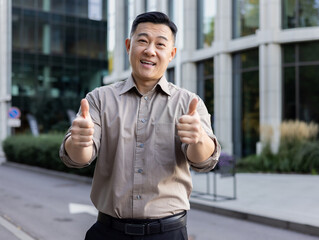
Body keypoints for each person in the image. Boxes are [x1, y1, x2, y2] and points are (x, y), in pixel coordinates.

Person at [59, 11, 220, 240]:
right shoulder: (98, 99)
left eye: (160, 44)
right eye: (142, 41)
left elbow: (203, 161)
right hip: (108, 232)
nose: (150, 51)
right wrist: (78, 141)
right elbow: (79, 158)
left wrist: (199, 139)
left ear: (172, 53)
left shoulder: (188, 103)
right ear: (128, 45)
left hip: (168, 233)